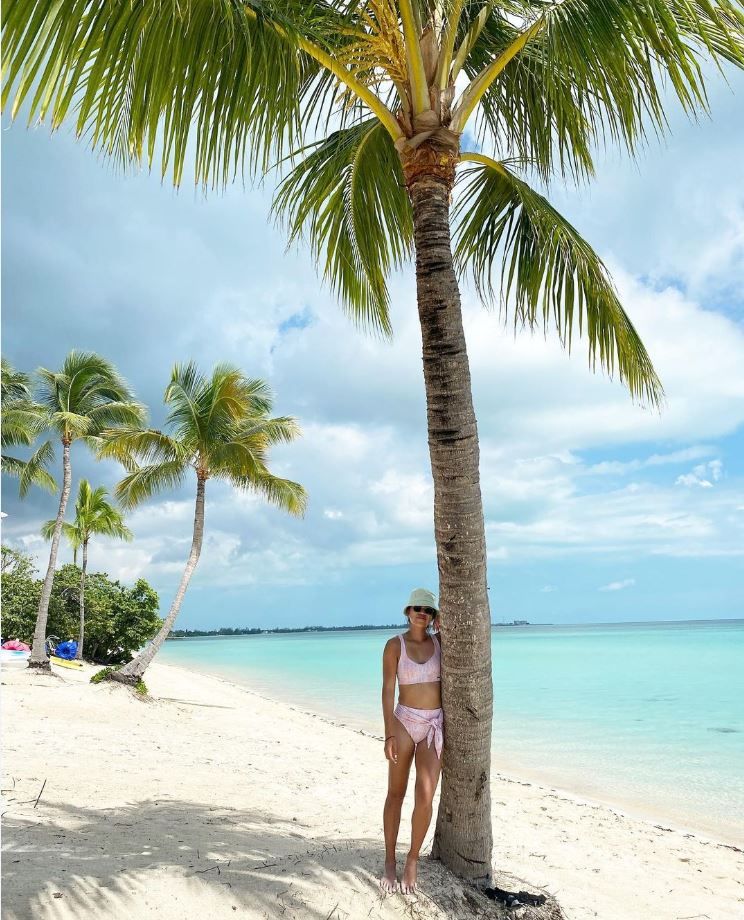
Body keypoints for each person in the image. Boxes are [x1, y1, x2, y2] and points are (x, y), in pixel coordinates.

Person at [380, 588, 443, 894]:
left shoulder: (441, 643)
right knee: (396, 793)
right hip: (404, 720)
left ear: (433, 617)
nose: (422, 613)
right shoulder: (395, 645)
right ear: (408, 611)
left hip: (433, 725)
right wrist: (389, 733)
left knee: (426, 796)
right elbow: (387, 690)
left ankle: (413, 858)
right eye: (417, 607)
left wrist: (446, 626)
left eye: (428, 610)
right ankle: (390, 860)